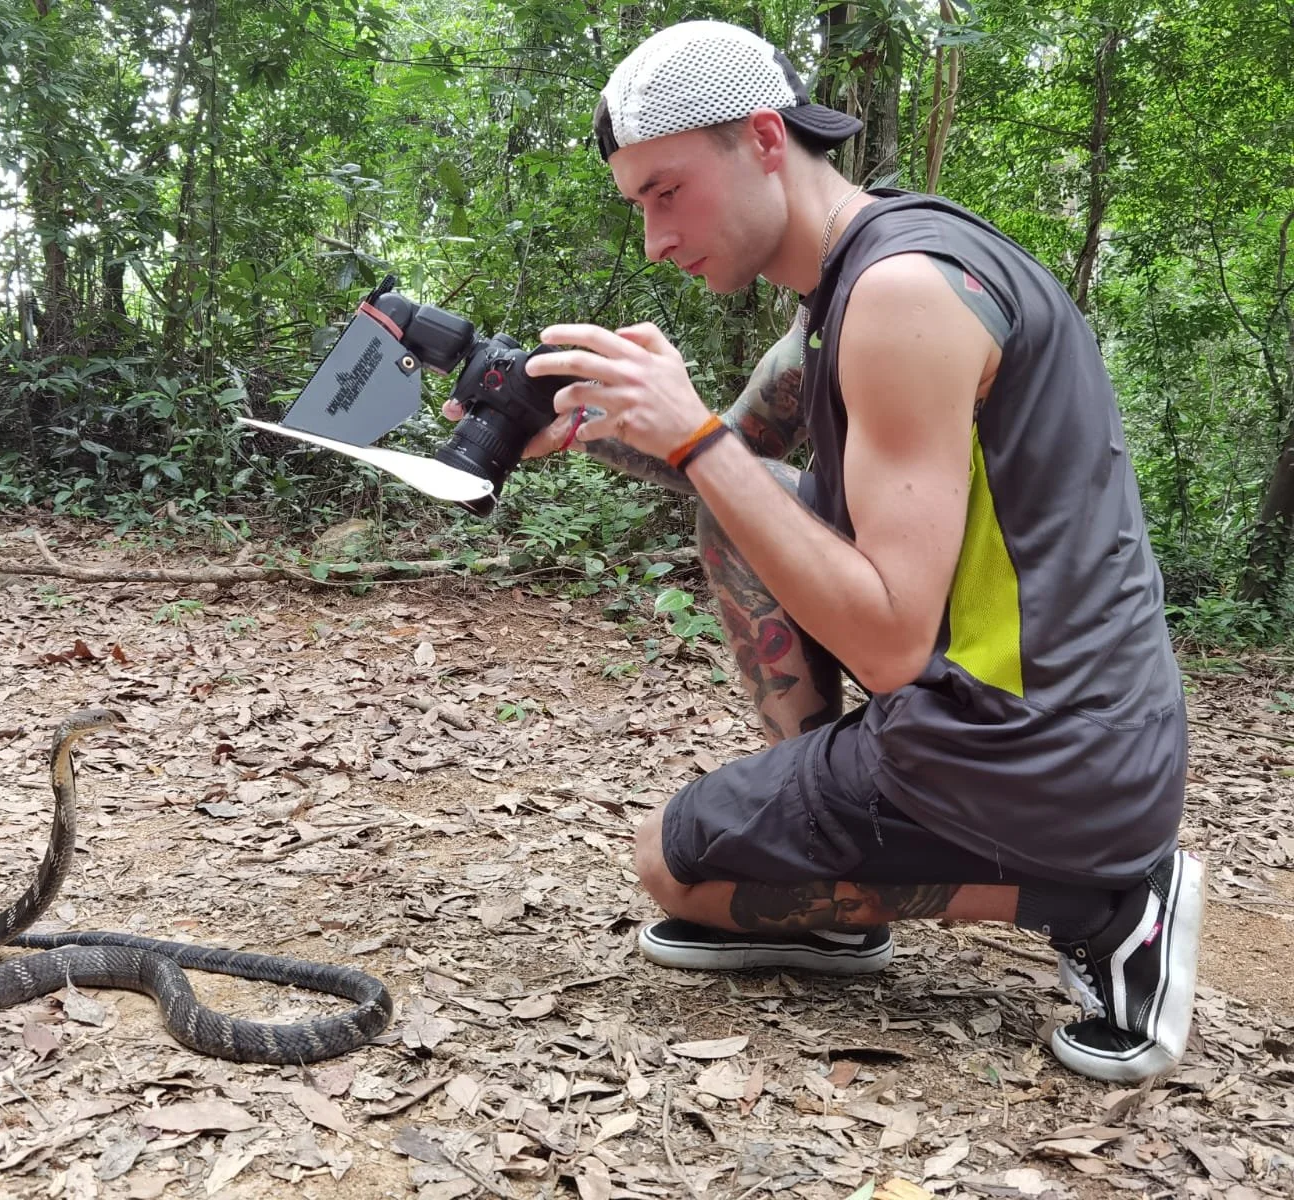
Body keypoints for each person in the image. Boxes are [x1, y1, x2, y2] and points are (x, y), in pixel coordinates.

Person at [454, 19, 1203, 1084]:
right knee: (745, 502)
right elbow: (731, 464)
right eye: (638, 207)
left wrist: (695, 437)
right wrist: (585, 425)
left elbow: (888, 642)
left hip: (1033, 749)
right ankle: (842, 848)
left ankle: (1107, 902)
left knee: (673, 868)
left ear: (765, 139)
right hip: (1075, 730)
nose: (655, 239)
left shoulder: (901, 296)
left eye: (667, 192)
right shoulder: (865, 275)